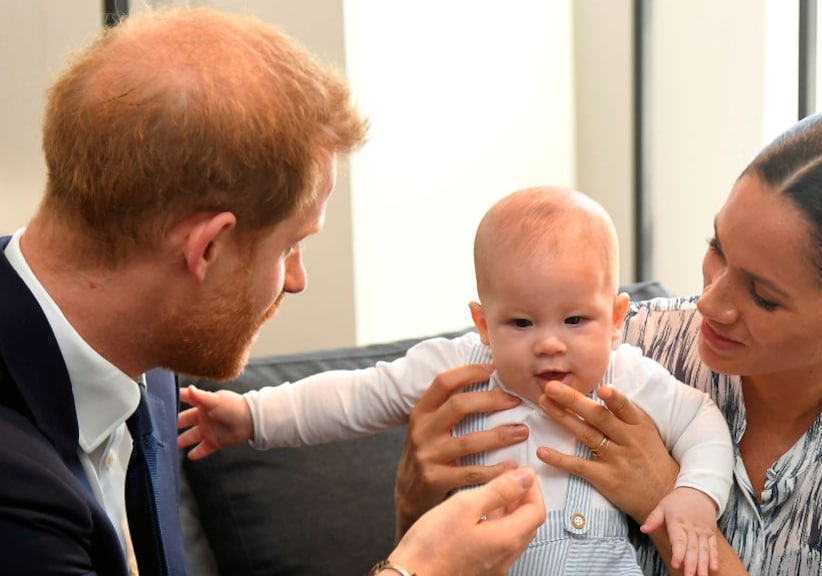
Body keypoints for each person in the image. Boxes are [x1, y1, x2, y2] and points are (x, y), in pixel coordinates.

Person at [0, 7, 543, 576]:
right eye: (290, 246)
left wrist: (413, 518)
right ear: (207, 249)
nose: (296, 279)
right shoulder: (14, 489)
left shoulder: (148, 363)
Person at [392, 108, 822, 575]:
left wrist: (666, 498)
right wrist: (417, 495)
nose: (711, 302)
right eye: (718, 247)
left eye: (763, 295)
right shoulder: (617, 344)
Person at [177, 186, 735, 576]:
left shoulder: (628, 375)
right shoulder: (458, 367)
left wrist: (693, 497)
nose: (549, 343)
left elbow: (703, 424)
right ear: (482, 323)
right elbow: (354, 396)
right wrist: (251, 416)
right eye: (520, 322)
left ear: (616, 319)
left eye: (575, 320)